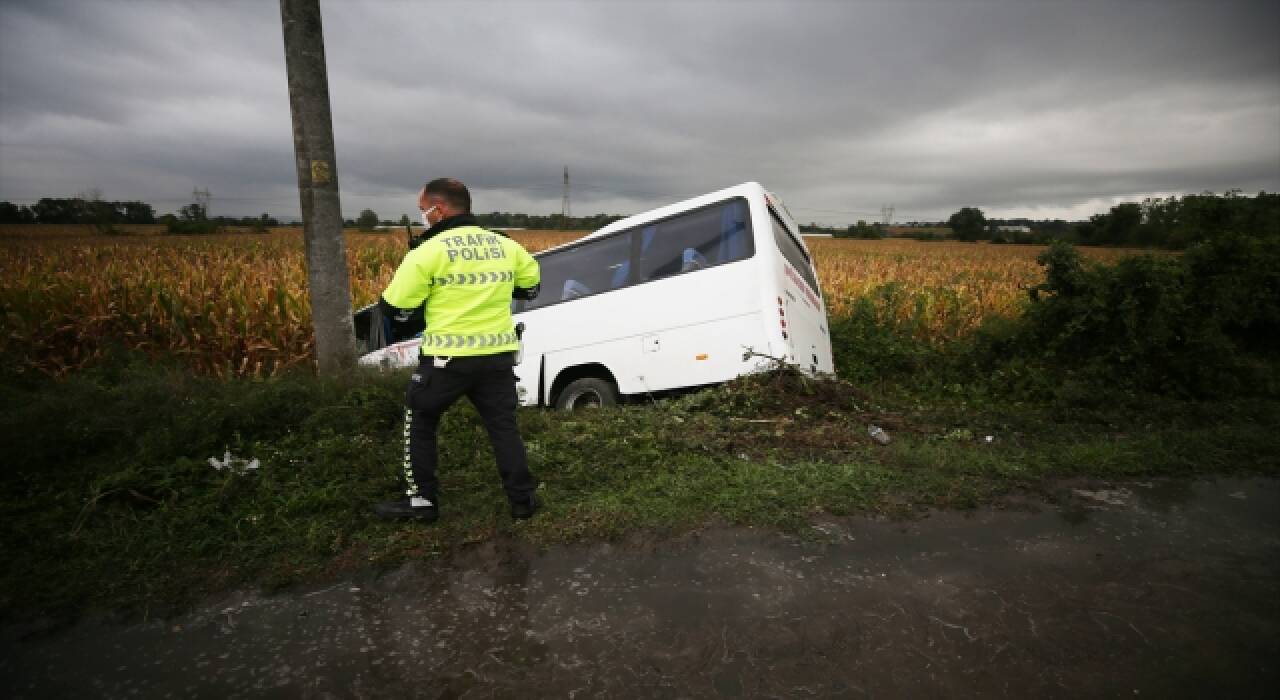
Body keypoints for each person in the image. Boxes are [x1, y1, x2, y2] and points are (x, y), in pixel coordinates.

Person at [374, 178, 541, 522]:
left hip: (445, 360)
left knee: (419, 418)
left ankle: (422, 501)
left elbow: (392, 307)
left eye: (424, 210)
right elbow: (531, 288)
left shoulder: (428, 251)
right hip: (497, 358)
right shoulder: (504, 245)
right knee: (503, 427)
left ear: (441, 209)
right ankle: (522, 502)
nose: (423, 216)